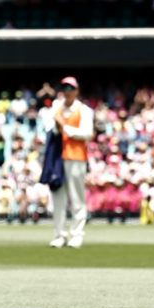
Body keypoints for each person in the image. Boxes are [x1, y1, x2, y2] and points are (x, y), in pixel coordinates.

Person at [45, 76, 93, 249]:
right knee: (58, 197)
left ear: (77, 91)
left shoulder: (84, 110)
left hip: (76, 157)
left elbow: (87, 133)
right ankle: (59, 234)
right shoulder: (56, 108)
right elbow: (49, 129)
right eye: (64, 89)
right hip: (57, 157)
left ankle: (77, 234)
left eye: (70, 89)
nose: (67, 92)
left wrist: (64, 127)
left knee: (77, 197)